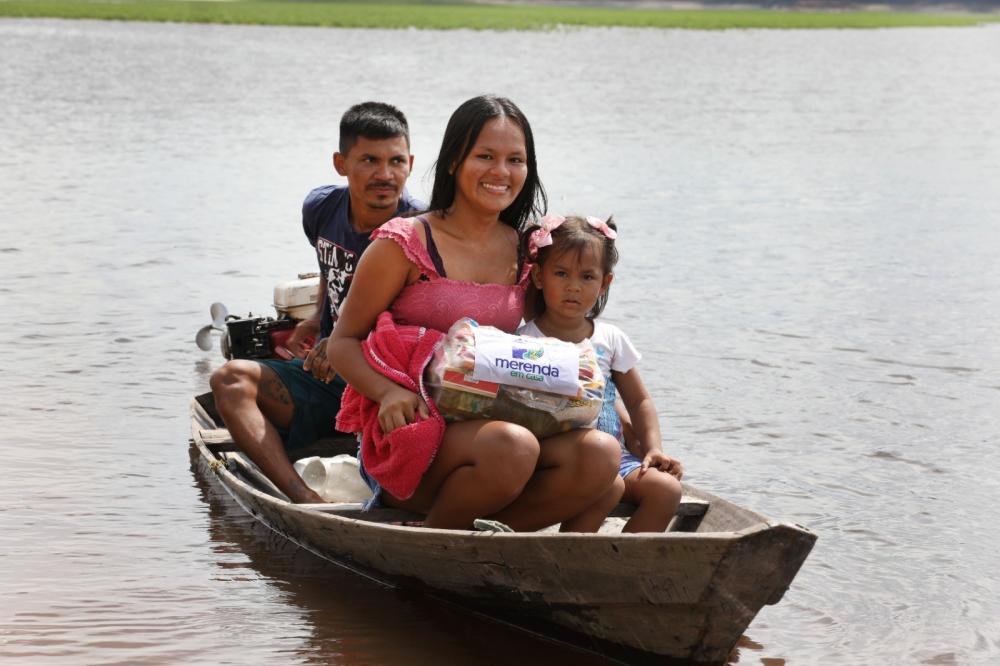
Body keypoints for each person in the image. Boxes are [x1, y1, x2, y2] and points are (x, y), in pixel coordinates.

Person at [327, 95, 622, 532]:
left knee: (601, 456)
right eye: (485, 156)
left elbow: (570, 333)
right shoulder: (404, 243)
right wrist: (388, 393)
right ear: (453, 162)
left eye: (515, 160)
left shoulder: (529, 252)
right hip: (416, 434)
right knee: (512, 446)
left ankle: (485, 546)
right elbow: (342, 343)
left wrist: (632, 434)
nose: (500, 172)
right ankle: (434, 545)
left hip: (506, 427)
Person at [210, 102, 422, 503]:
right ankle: (300, 495)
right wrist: (314, 319)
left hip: (386, 391)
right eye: (369, 161)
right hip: (327, 383)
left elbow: (420, 324)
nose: (385, 174)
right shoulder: (321, 207)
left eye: (396, 161)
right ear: (341, 163)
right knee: (229, 380)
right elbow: (331, 263)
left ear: (410, 162)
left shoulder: (419, 231)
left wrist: (345, 342)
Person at [517, 214, 684, 532]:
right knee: (609, 488)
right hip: (558, 461)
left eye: (587, 277)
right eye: (561, 274)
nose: (573, 287)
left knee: (666, 490)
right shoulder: (524, 341)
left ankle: (621, 566)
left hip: (616, 457)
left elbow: (639, 402)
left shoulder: (609, 338)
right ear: (539, 276)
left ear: (605, 282)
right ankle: (568, 559)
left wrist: (653, 449)